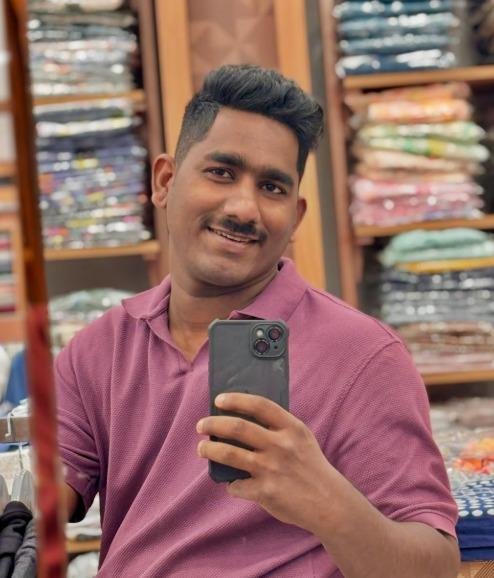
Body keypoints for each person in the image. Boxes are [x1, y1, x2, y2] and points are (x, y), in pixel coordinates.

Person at [56, 64, 460, 577]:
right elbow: (40, 498)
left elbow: (435, 567)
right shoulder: (100, 348)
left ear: (296, 217)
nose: (245, 208)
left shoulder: (362, 356)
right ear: (165, 181)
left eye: (272, 187)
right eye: (221, 172)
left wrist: (326, 500)